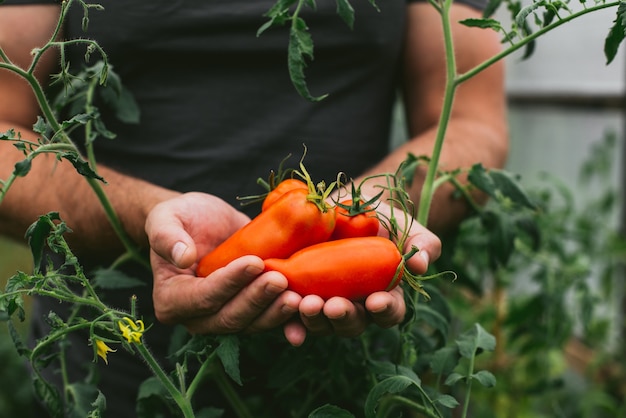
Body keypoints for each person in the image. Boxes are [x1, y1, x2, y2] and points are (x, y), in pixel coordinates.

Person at [0, 0, 508, 416]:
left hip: (361, 375)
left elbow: (474, 122)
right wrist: (151, 216)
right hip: (117, 366)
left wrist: (372, 206)